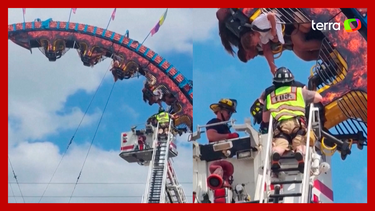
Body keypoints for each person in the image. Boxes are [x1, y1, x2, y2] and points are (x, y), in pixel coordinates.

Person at [260, 67, 322, 173]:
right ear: (291, 80)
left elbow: (265, 119)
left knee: (280, 143)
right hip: (297, 123)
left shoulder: (270, 96)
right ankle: (300, 154)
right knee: (300, 142)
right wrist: (306, 99)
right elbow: (318, 97)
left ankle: (276, 154)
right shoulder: (298, 91)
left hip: (280, 126)